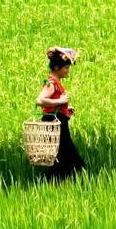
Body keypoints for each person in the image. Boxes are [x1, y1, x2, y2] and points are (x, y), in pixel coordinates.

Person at [35, 47, 86, 182]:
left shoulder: (57, 83)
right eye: (66, 68)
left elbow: (52, 103)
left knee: (62, 152)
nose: (68, 71)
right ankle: (57, 180)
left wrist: (65, 108)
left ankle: (58, 180)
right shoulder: (51, 83)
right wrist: (60, 101)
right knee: (62, 152)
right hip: (53, 122)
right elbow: (40, 100)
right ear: (57, 67)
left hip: (59, 120)